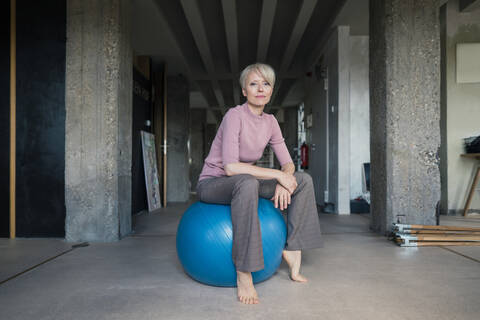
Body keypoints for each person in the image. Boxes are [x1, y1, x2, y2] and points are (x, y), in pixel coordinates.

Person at [196, 63, 323, 305]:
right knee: (246, 183)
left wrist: (285, 179)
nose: (260, 89)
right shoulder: (234, 116)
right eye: (253, 84)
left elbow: (288, 164)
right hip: (214, 183)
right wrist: (276, 175)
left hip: (246, 183)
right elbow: (230, 168)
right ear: (244, 91)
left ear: (271, 90)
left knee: (303, 180)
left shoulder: (271, 122)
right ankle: (244, 271)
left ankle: (293, 250)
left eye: (265, 84)